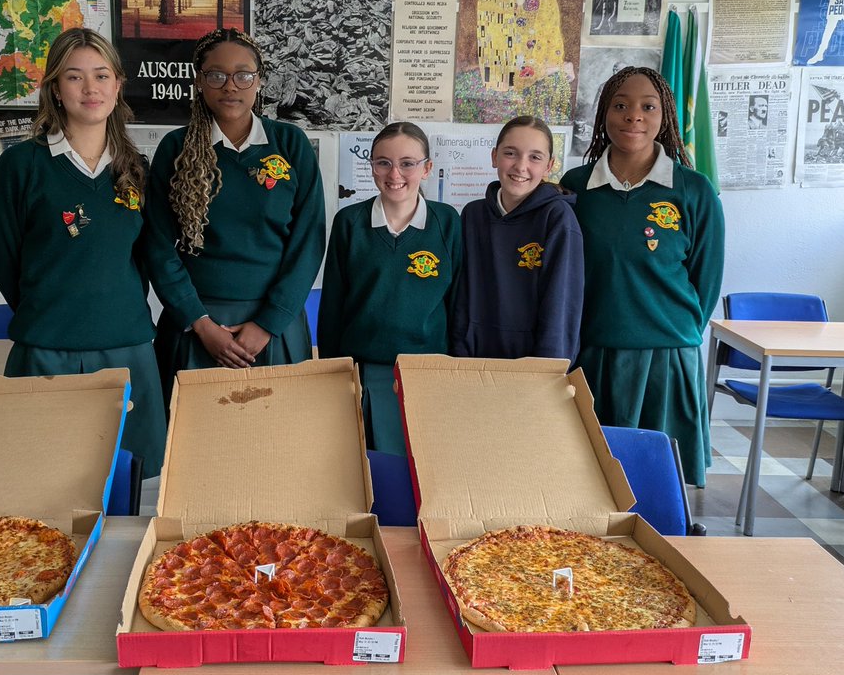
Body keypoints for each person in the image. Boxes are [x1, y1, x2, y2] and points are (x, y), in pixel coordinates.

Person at [0, 27, 166, 477]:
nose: (91, 89)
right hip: (45, 350)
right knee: (42, 480)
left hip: (126, 349)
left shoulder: (137, 169)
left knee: (132, 484)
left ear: (118, 85)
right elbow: (6, 260)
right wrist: (52, 310)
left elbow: (146, 259)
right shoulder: (20, 166)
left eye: (102, 75)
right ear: (54, 89)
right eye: (74, 77)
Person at [559, 67, 725, 487]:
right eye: (621, 106)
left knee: (659, 478)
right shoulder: (576, 187)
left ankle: (666, 542)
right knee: (594, 475)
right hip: (595, 351)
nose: (634, 116)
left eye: (648, 106)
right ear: (603, 115)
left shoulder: (693, 189)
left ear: (664, 116)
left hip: (664, 355)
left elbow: (705, 281)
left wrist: (670, 326)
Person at [145, 27, 325, 402]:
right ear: (199, 81)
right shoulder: (175, 149)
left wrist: (267, 323)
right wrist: (200, 323)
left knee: (277, 448)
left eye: (244, 75)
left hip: (275, 326)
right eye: (217, 75)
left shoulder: (291, 145)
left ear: (259, 81)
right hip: (197, 327)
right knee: (195, 452)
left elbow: (307, 244)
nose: (231, 86)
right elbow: (158, 246)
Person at [318, 122, 460, 455]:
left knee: (423, 467)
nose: (395, 173)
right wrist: (334, 372)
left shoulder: (447, 221)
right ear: (372, 166)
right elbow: (333, 304)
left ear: (426, 168)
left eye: (407, 163)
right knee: (371, 468)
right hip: (365, 370)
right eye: (383, 162)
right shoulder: (349, 222)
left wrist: (455, 368)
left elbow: (457, 302)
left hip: (427, 371)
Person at [451, 116, 583, 363]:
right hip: (473, 362)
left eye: (535, 157)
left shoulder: (557, 218)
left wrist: (547, 371)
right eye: (510, 153)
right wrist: (459, 355)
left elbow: (561, 305)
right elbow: (462, 295)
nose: (521, 166)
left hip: (531, 369)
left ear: (549, 166)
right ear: (494, 157)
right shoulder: (473, 215)